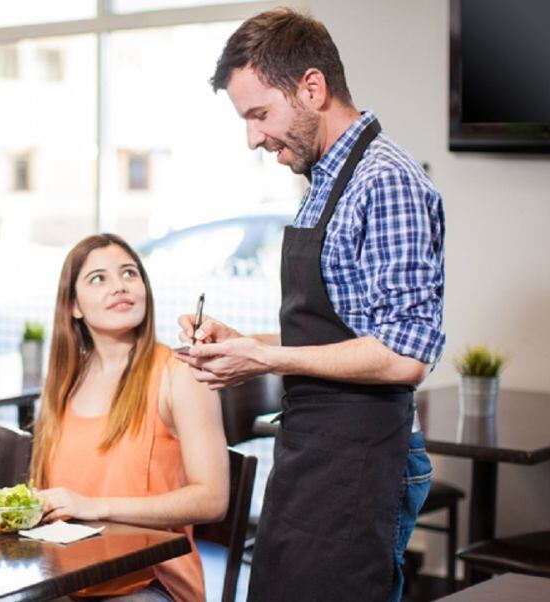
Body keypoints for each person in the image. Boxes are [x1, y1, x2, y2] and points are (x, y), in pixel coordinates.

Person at [176, 8, 445, 602]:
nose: (253, 137)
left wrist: (264, 360)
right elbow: (342, 333)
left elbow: (403, 355)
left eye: (259, 114)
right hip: (311, 452)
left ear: (313, 88)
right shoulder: (325, 180)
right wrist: (243, 342)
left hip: (363, 462)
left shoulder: (386, 181)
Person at [31, 234, 230, 602]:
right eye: (98, 278)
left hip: (153, 584)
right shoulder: (64, 385)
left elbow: (213, 499)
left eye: (129, 273)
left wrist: (95, 506)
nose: (119, 286)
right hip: (69, 581)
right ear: (74, 306)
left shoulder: (179, 374)